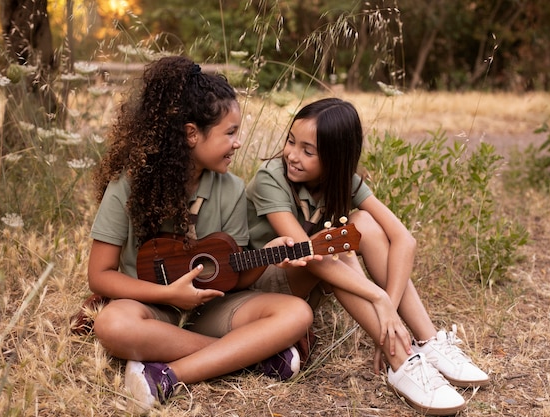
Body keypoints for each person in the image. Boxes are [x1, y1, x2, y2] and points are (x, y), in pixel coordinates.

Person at [87, 56, 315, 412]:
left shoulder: (232, 188)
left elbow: (233, 276)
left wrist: (270, 253)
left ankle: (167, 373)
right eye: (230, 133)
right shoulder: (127, 185)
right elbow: (99, 276)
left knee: (297, 313)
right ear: (192, 133)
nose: (238, 143)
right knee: (112, 325)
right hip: (149, 306)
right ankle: (249, 356)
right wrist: (167, 292)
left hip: (213, 307)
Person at [245, 98, 490, 415]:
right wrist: (378, 299)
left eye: (308, 150)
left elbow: (404, 239)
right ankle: (400, 360)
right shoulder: (271, 178)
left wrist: (388, 304)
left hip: (314, 276)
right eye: (291, 141)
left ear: (336, 158)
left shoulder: (344, 181)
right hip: (265, 284)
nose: (292, 154)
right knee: (335, 249)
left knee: (365, 224)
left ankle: (428, 341)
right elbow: (305, 253)